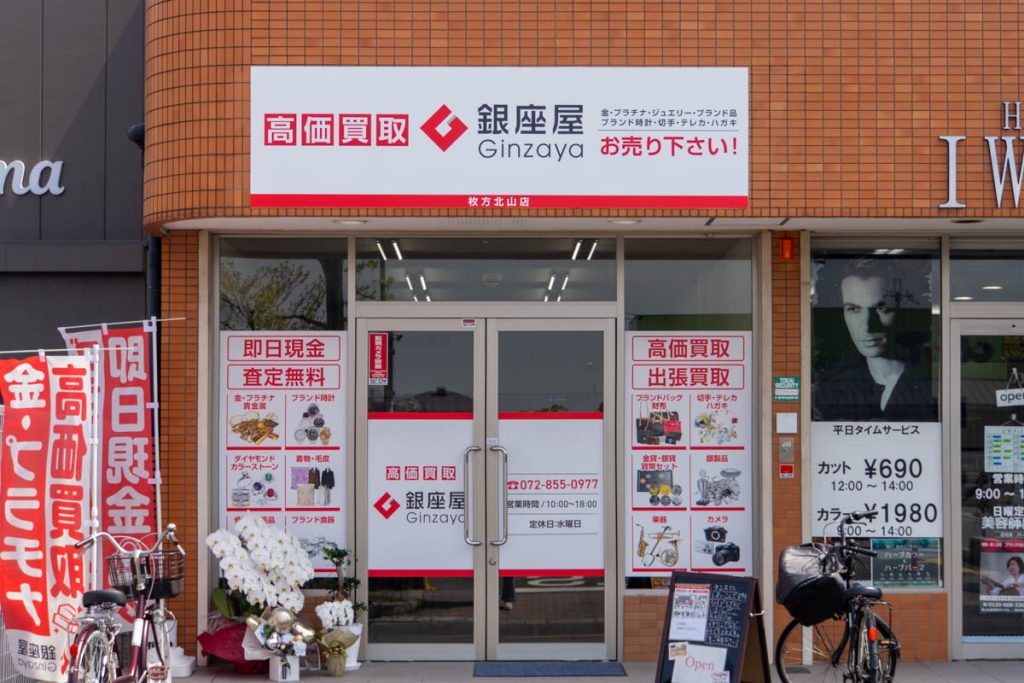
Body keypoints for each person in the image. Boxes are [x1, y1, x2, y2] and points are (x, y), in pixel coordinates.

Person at [812, 258, 937, 421]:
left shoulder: (930, 385)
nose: (867, 326)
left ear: (902, 312)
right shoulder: (833, 390)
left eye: (881, 308)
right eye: (853, 309)